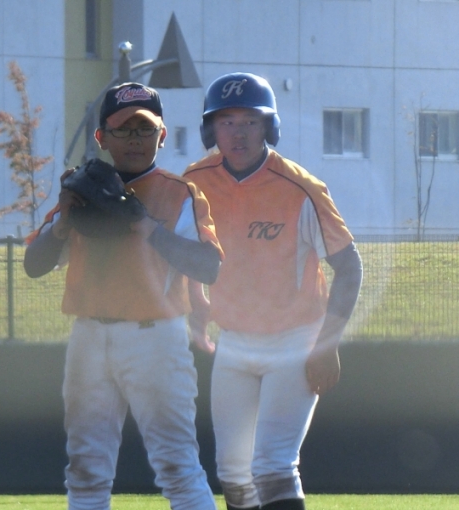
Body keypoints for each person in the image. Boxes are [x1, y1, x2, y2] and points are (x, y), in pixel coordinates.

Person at [24, 82, 223, 510]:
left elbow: (208, 267)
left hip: (156, 338)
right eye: (123, 129)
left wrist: (145, 225)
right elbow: (34, 264)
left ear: (162, 135)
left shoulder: (179, 192)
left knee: (177, 468)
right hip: (89, 337)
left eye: (145, 129)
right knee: (85, 472)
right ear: (102, 137)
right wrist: (63, 222)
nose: (135, 139)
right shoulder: (82, 189)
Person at [184, 73, 363, 510]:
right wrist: (196, 304)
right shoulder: (194, 181)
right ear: (211, 129)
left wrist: (327, 345)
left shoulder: (301, 188)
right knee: (233, 472)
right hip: (234, 342)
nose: (238, 133)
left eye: (250, 121)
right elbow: (186, 251)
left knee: (273, 466)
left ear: (268, 126)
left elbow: (349, 268)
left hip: (294, 341)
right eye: (226, 121)